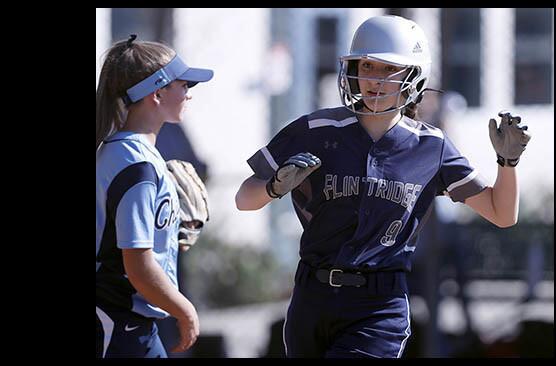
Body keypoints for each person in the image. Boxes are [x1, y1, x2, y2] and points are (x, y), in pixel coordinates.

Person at [235, 15, 531, 358]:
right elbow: (244, 198)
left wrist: (507, 164)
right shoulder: (316, 130)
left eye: (388, 69)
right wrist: (273, 187)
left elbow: (501, 213)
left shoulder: (431, 147)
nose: (374, 79)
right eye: (367, 66)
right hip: (311, 297)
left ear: (413, 76)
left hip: (378, 304)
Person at [96, 34, 213, 358]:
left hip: (124, 323)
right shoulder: (137, 166)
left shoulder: (123, 152)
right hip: (116, 323)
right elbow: (138, 266)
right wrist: (185, 311)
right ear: (157, 93)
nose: (189, 94)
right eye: (184, 85)